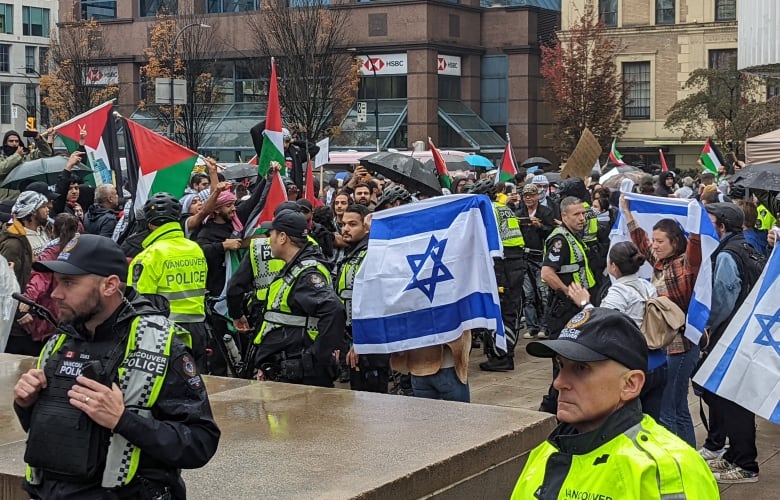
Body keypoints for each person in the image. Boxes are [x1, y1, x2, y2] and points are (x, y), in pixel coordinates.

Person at [12, 234, 220, 498]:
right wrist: (25, 404)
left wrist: (123, 420)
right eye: (56, 282)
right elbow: (55, 430)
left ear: (110, 285)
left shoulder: (159, 345)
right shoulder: (60, 341)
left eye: (69, 282)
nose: (55, 293)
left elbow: (200, 442)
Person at [511, 307, 719, 499]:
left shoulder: (667, 470)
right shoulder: (545, 452)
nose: (558, 383)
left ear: (630, 384)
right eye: (560, 365)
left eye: (581, 368)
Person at [622, 195, 702, 447]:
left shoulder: (684, 265)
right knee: (677, 406)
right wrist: (627, 214)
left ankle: (679, 458)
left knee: (670, 408)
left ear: (675, 242)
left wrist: (696, 227)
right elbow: (644, 245)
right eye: (654, 240)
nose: (654, 246)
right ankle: (688, 455)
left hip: (682, 345)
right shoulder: (662, 262)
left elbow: (696, 253)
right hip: (670, 345)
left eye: (660, 241)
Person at [699, 202, 763, 483]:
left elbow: (722, 300)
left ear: (722, 225)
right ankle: (732, 455)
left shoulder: (727, 254)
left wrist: (706, 325)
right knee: (726, 397)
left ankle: (746, 463)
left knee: (733, 400)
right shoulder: (747, 247)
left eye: (710, 221)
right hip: (743, 334)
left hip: (729, 335)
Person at [567, 241, 666, 420]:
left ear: (613, 266)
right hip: (658, 360)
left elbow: (604, 323)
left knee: (629, 421)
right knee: (654, 420)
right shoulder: (647, 286)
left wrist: (584, 303)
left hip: (635, 363)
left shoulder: (618, 291)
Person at [246, 210, 345, 387]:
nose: (269, 240)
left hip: (298, 373)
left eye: (271, 234)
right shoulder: (295, 268)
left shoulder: (307, 273)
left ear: (282, 237)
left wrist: (316, 359)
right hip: (286, 368)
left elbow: (334, 309)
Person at [128, 193, 210, 372]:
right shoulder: (194, 248)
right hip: (199, 328)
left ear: (149, 224)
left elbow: (137, 303)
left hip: (166, 332)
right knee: (199, 384)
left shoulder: (148, 256)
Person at [537, 196, 596, 413]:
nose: (582, 218)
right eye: (576, 215)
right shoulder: (559, 239)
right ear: (564, 216)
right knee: (562, 363)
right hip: (564, 308)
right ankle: (549, 412)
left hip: (577, 306)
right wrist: (567, 291)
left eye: (583, 213)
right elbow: (546, 273)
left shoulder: (573, 236)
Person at [470, 178, 527, 371]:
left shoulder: (490, 211)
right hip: (516, 262)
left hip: (503, 265)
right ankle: (504, 354)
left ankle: (501, 357)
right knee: (509, 310)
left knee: (501, 311)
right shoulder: (504, 208)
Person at [338, 204, 390, 393]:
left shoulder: (371, 254)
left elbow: (374, 302)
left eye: (352, 224)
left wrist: (362, 341)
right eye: (343, 224)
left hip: (370, 343)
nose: (345, 229)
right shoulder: (352, 253)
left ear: (366, 226)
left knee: (373, 400)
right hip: (355, 340)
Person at [17, 213, 79, 351]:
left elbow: (40, 278)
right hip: (75, 309)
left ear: (52, 230)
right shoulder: (80, 249)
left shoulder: (50, 252)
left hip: (51, 311)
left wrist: (27, 300)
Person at [516, 183, 554, 339]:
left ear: (538, 196)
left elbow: (552, 232)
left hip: (541, 257)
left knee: (543, 293)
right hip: (524, 257)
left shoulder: (546, 212)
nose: (528, 198)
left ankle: (545, 326)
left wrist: (540, 226)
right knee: (529, 294)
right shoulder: (518, 213)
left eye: (531, 195)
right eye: (525, 195)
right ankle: (532, 327)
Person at [0, 128, 55, 201]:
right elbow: (1, 169)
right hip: (4, 200)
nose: (14, 143)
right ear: (5, 143)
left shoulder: (27, 155)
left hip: (23, 199)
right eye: (11, 141)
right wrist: (17, 156)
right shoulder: (1, 156)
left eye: (16, 141)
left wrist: (38, 139)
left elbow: (46, 153)